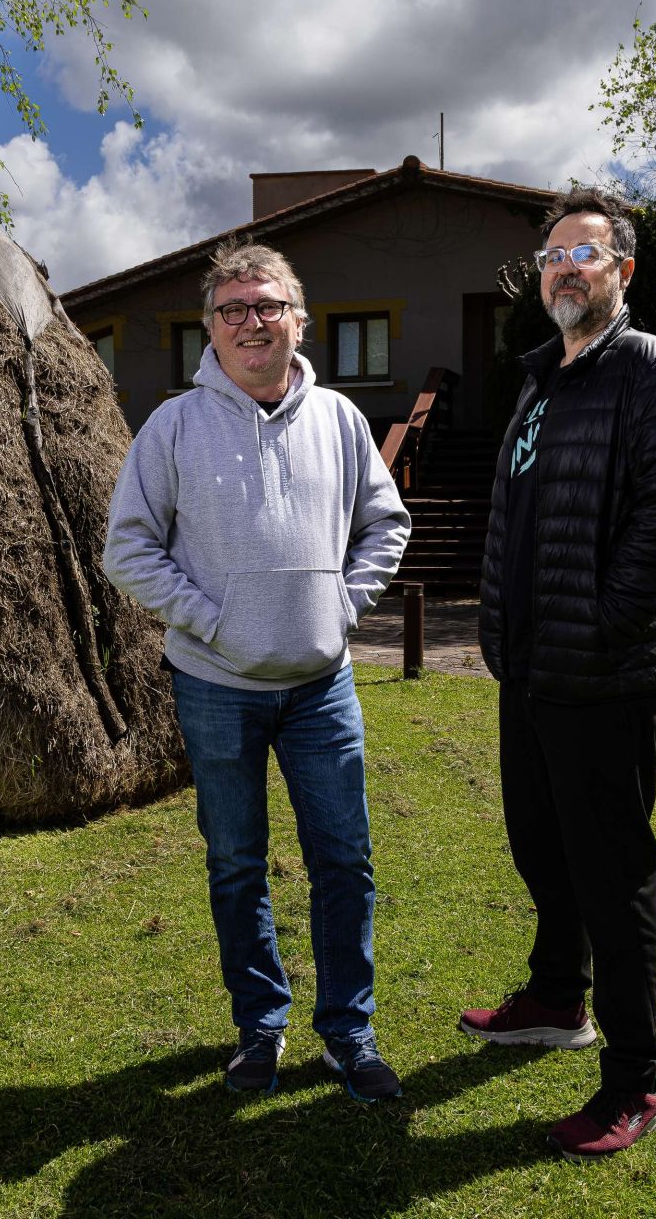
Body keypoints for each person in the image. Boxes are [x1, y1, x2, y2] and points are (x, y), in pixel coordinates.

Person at [104, 239, 412, 1102]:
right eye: (233, 308)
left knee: (343, 861)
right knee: (237, 864)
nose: (251, 321)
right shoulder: (173, 425)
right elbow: (127, 548)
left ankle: (349, 1033)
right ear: (210, 327)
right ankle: (260, 1028)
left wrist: (342, 607)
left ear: (298, 320)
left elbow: (386, 524)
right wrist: (212, 619)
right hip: (215, 687)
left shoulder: (342, 420)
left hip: (322, 689)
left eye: (267, 305)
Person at [460, 188, 656, 1159]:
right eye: (552, 255)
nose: (564, 268)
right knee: (540, 843)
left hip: (605, 676)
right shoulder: (541, 382)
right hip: (532, 671)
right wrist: (498, 630)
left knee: (612, 871)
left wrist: (604, 624)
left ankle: (637, 1078)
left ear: (623, 271)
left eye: (585, 253)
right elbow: (510, 524)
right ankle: (558, 996)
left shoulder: (650, 373)